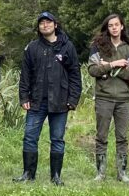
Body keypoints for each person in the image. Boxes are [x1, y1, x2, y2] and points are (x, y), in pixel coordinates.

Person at [17, 10, 81, 185]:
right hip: (36, 101)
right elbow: (25, 75)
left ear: (55, 25)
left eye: (48, 22)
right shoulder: (32, 47)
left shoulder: (67, 47)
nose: (45, 25)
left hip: (60, 101)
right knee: (30, 137)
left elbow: (75, 74)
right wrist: (24, 98)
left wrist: (73, 99)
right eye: (42, 23)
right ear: (39, 27)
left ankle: (56, 177)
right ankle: (28, 174)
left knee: (57, 139)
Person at [87, 13, 129, 182]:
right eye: (110, 25)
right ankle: (100, 173)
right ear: (107, 28)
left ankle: (122, 173)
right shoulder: (97, 46)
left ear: (122, 26)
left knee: (122, 137)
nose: (114, 28)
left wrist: (106, 68)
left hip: (123, 99)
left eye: (117, 24)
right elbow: (93, 70)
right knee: (101, 136)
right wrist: (114, 64)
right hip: (104, 97)